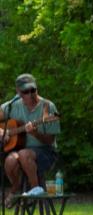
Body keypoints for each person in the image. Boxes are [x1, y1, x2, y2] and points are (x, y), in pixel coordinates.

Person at [1, 73, 61, 205]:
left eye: (33, 90)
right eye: (26, 91)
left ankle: (35, 190)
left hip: (46, 152)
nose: (30, 94)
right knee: (10, 161)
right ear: (18, 92)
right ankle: (16, 189)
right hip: (23, 151)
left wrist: (35, 133)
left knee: (23, 154)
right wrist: (1, 132)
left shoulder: (48, 107)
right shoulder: (12, 105)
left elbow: (50, 141)